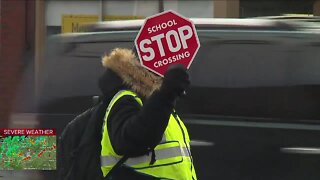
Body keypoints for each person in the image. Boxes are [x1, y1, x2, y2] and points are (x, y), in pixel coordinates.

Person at [99, 48, 197, 179]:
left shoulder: (156, 101)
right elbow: (132, 141)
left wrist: (165, 95)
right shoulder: (126, 99)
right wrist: (166, 94)